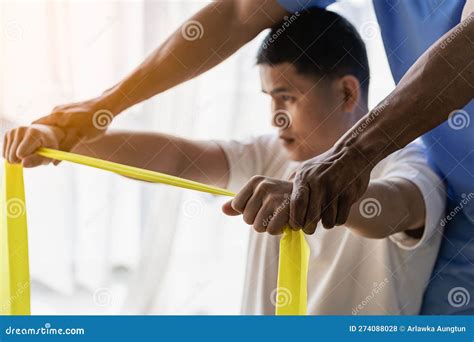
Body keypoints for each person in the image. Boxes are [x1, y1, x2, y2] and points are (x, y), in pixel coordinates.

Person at [4, 0, 473, 313]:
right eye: (269, 98)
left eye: (287, 98)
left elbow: (393, 207)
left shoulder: (412, 167)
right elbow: (177, 158)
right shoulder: (271, 157)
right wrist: (72, 133)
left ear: (347, 91)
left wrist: (331, 186)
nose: (276, 117)